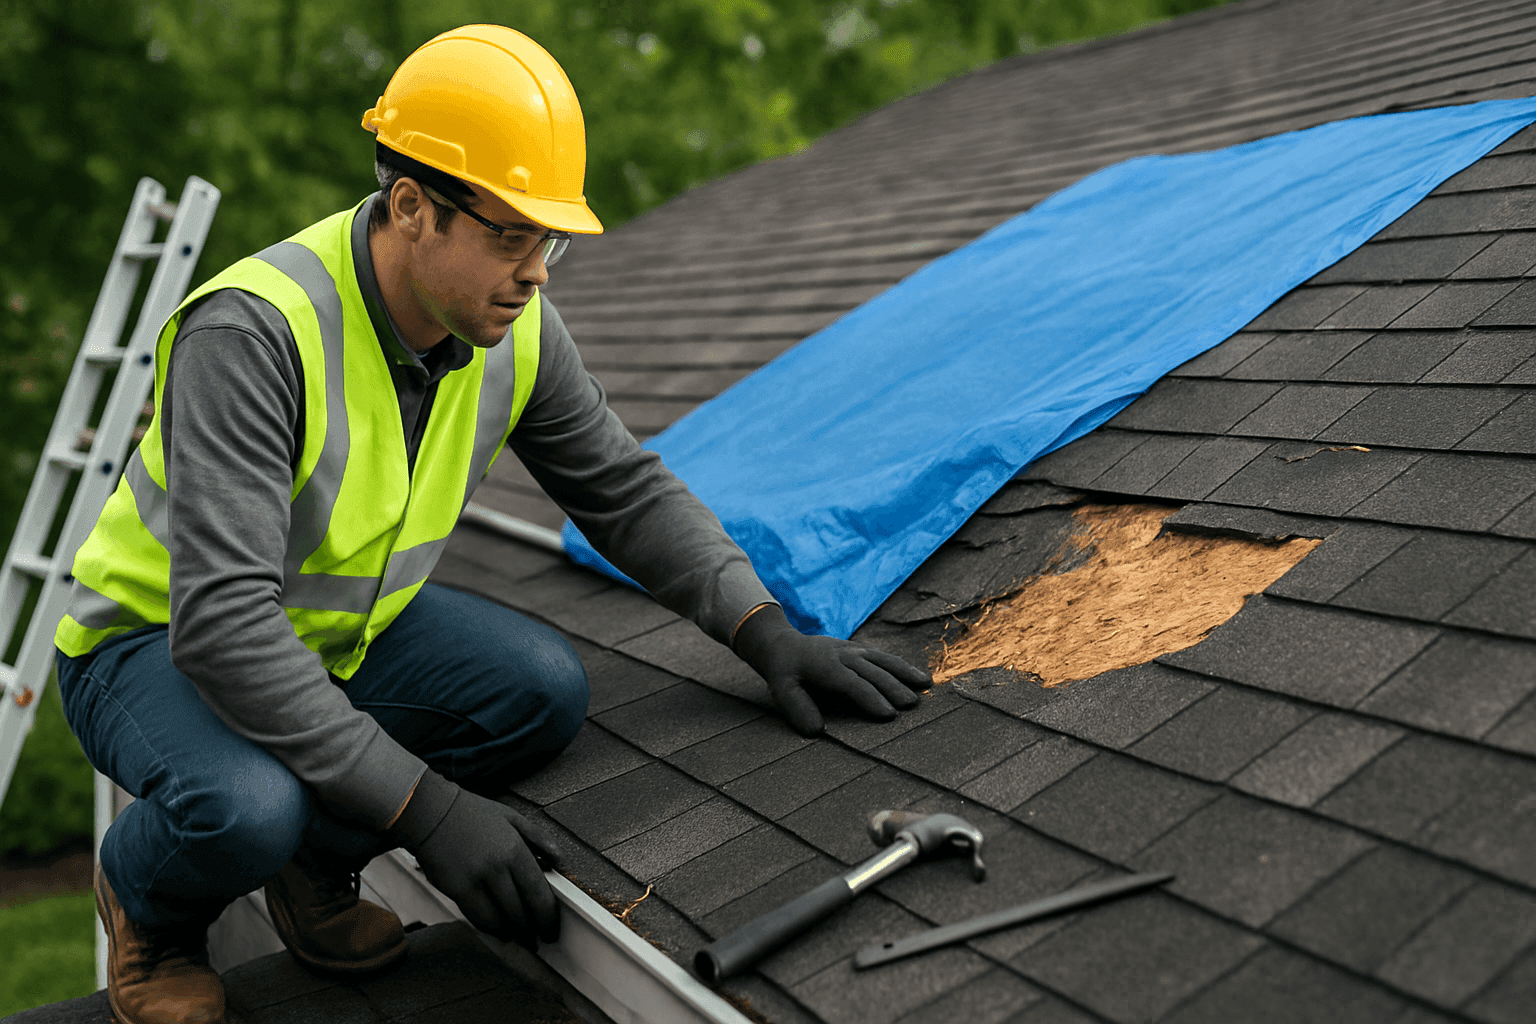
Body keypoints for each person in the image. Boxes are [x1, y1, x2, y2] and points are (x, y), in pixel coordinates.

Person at [52, 24, 931, 1024]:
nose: (536, 271)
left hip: (332, 633)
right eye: (509, 236)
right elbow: (224, 628)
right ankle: (149, 904)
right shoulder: (254, 335)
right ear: (412, 208)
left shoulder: (513, 331)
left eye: (548, 240)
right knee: (248, 808)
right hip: (156, 641)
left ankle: (311, 867)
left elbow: (621, 487)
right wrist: (423, 810)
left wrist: (762, 629)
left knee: (536, 692)